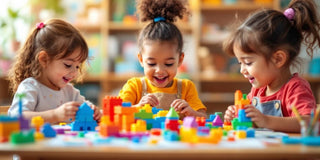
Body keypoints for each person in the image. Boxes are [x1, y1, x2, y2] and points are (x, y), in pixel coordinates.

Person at [223, 0, 320, 132]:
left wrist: (266, 120)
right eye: (240, 63)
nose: (242, 70)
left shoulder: (296, 88)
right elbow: (253, 123)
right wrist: (239, 115)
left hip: (288, 152)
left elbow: (309, 123)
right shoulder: (257, 91)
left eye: (248, 62)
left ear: (278, 59)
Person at [119, 0, 207, 118]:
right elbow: (116, 112)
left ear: (180, 60)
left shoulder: (186, 88)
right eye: (151, 63)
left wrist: (191, 112)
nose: (159, 70)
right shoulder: (135, 87)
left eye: (169, 64)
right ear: (140, 59)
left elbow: (204, 118)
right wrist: (137, 107)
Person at [7, 19, 102, 123]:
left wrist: (93, 111)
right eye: (68, 65)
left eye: (77, 67)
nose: (74, 73)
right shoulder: (30, 87)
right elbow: (17, 117)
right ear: (44, 59)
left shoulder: (69, 91)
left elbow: (84, 106)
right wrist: (55, 115)